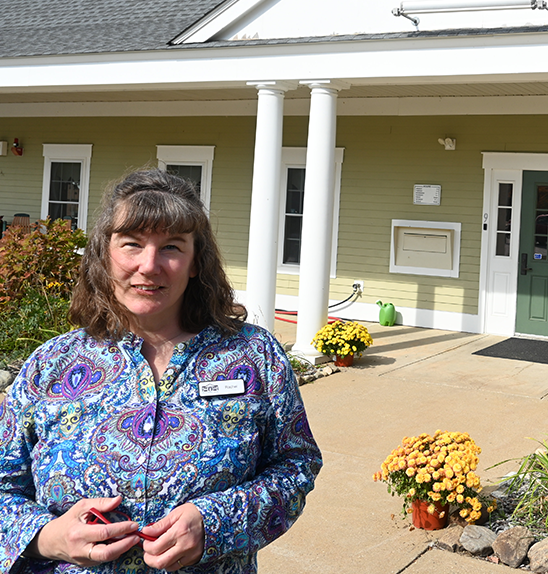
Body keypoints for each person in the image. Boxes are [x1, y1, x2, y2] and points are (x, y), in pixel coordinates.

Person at [0, 169, 322, 574]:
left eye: (171, 247)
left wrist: (217, 523)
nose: (149, 266)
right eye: (131, 244)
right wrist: (46, 538)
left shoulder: (254, 356)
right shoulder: (51, 365)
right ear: (104, 253)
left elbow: (296, 465)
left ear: (194, 262)